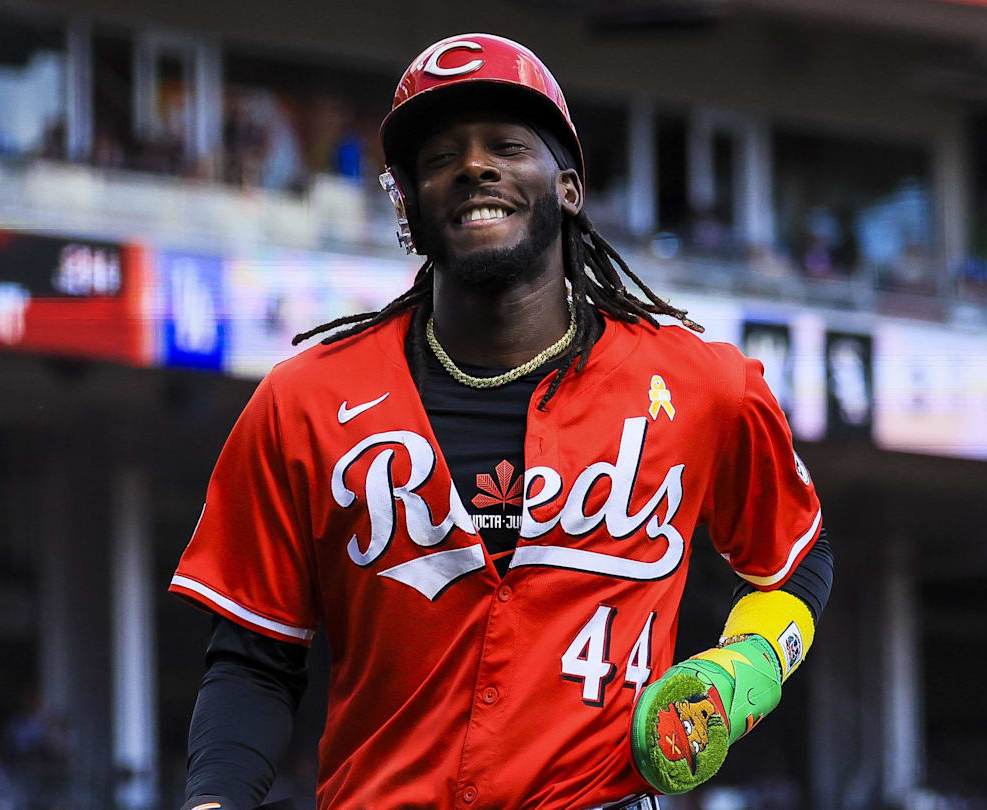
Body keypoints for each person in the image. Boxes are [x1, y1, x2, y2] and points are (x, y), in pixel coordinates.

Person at [170, 33, 833, 809]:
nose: (474, 166)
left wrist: (750, 661)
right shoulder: (304, 401)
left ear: (569, 188)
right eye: (442, 156)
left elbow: (795, 553)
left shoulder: (698, 383)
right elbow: (254, 657)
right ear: (410, 207)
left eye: (508, 146)